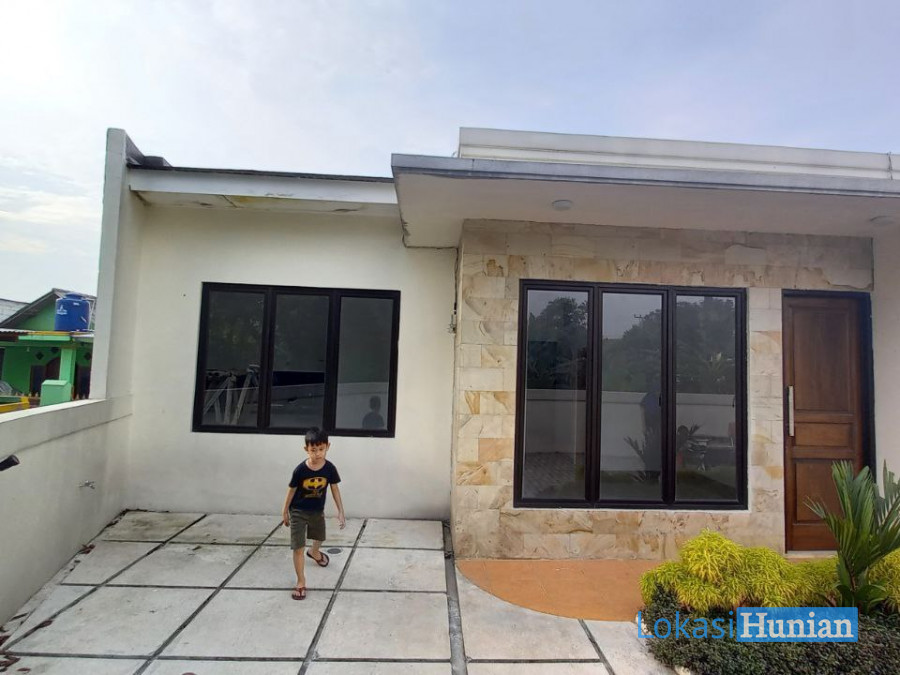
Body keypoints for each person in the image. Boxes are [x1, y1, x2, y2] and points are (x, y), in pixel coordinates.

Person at [282, 427, 346, 600]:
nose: (317, 453)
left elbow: (334, 489)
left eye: (321, 449)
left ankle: (315, 552)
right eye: (313, 450)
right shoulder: (300, 470)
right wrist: (285, 511)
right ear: (306, 449)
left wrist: (340, 511)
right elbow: (291, 490)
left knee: (320, 537)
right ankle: (301, 582)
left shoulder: (330, 468)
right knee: (298, 547)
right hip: (298, 511)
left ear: (328, 447)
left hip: (317, 511)